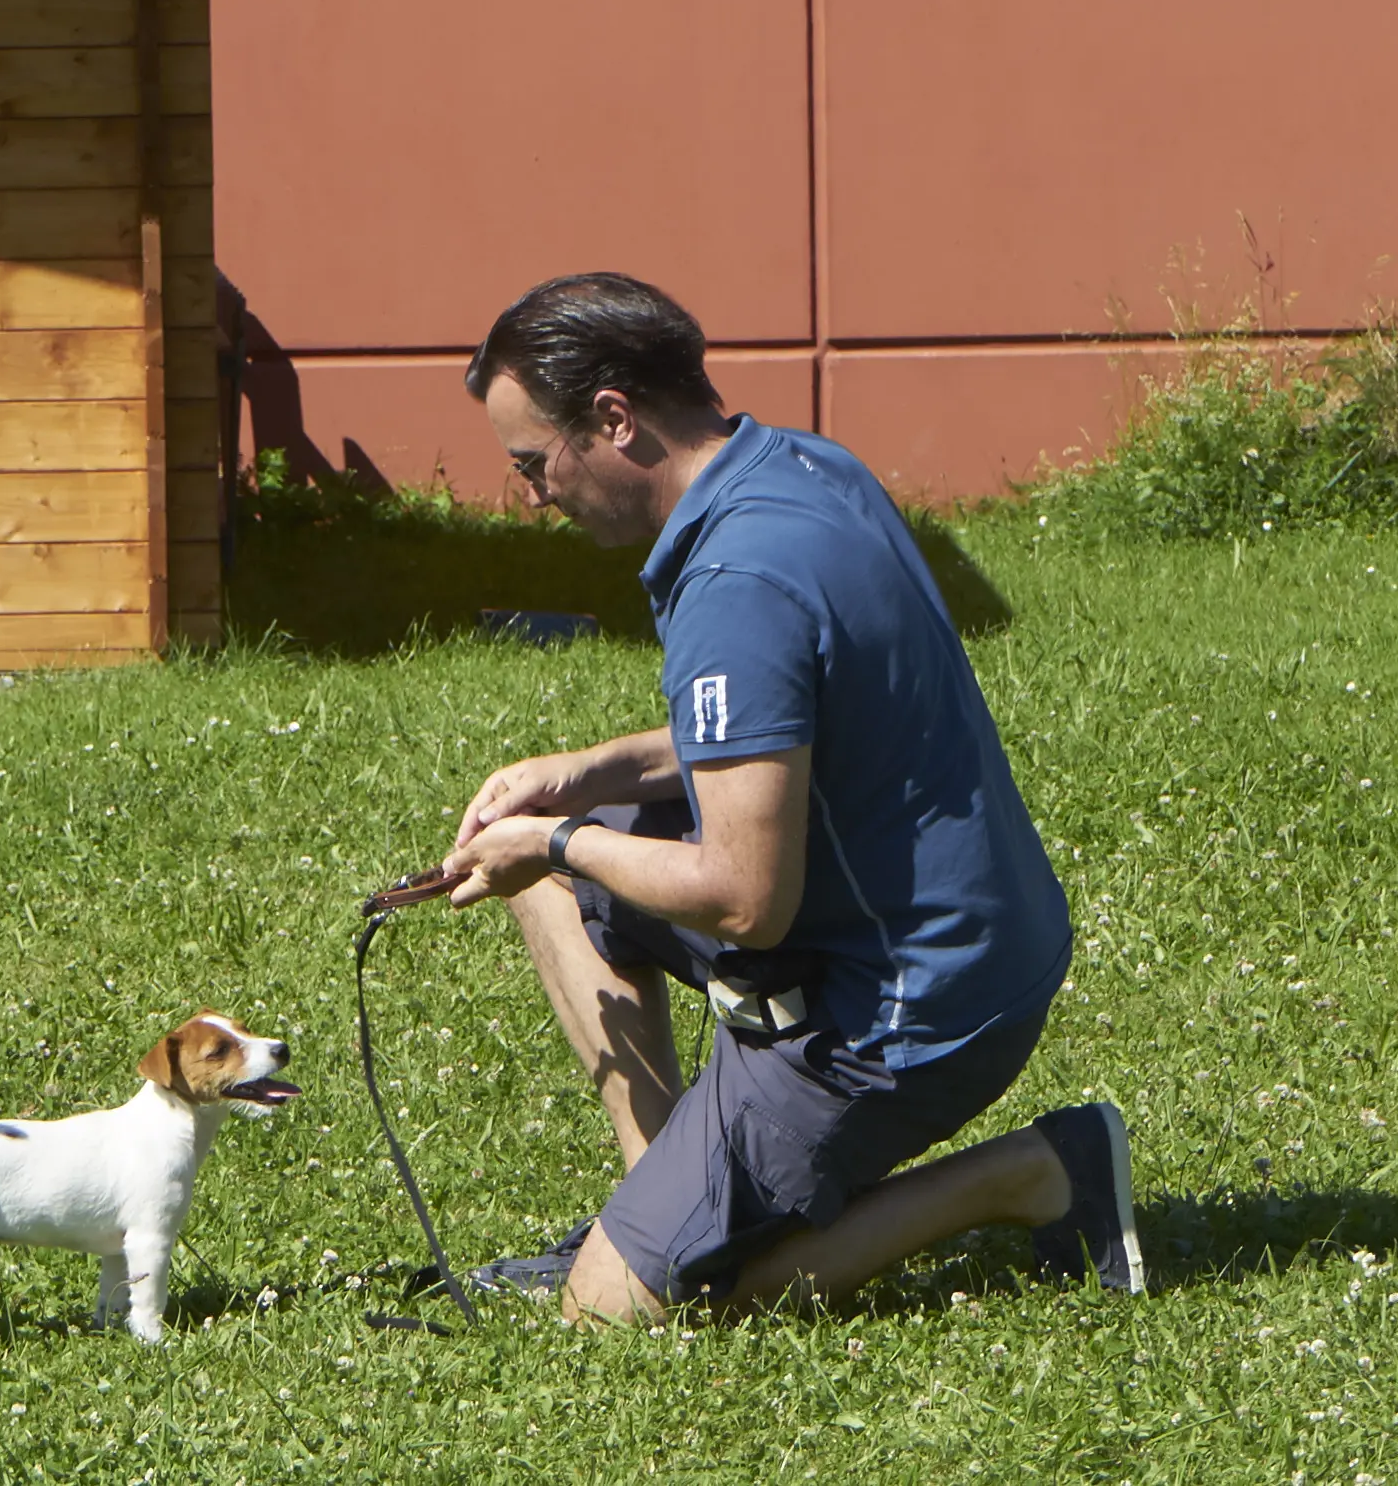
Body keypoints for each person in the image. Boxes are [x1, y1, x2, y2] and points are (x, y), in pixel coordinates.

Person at [437, 273, 1142, 1324]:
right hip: (979, 934)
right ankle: (675, 1200)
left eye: (534, 463)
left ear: (613, 420)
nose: (533, 493)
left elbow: (742, 898)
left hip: (912, 1008)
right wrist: (581, 778)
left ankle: (1039, 1172)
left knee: (614, 1313)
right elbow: (782, 729)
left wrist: (565, 834)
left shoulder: (736, 578)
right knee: (537, 874)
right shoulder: (801, 466)